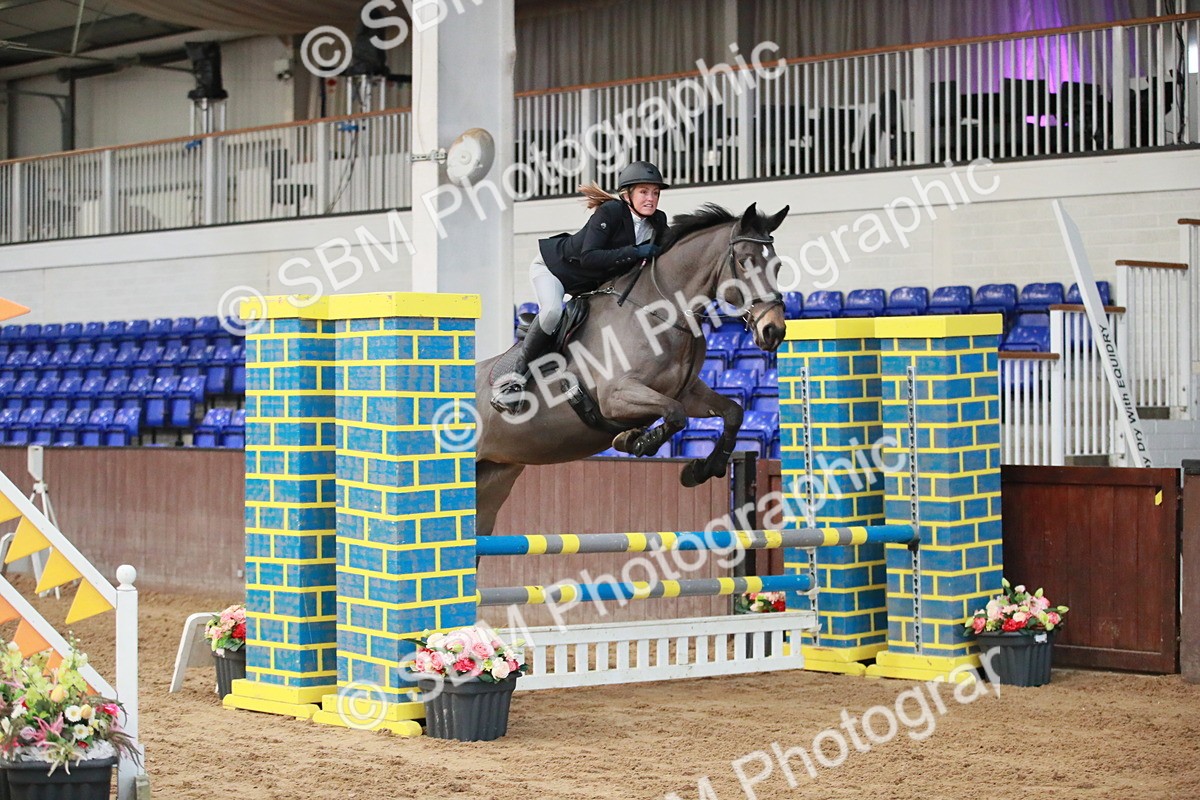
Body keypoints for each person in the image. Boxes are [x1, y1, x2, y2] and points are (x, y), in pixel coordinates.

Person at [491, 160, 671, 414]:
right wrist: (635, 251)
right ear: (627, 194)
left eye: (655, 192)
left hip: (588, 285)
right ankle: (514, 381)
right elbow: (589, 256)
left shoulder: (658, 221)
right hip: (555, 269)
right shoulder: (610, 212)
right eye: (644, 192)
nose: (651, 199)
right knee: (552, 311)